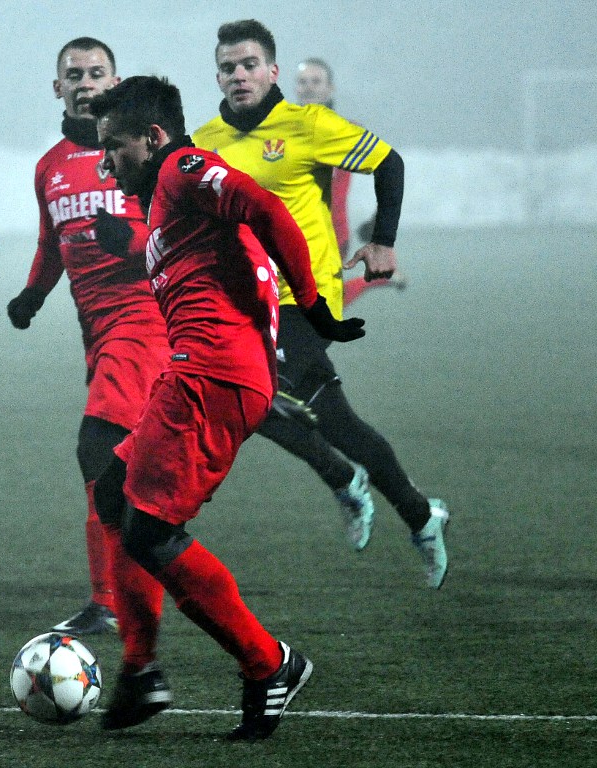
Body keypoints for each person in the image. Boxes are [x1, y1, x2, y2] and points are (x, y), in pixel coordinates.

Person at [89, 75, 365, 739]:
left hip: (213, 375)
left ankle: (268, 663)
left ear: (154, 136)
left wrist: (316, 309)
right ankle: (140, 669)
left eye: (115, 147)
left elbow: (266, 210)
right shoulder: (167, 202)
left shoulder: (183, 168)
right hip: (204, 372)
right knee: (112, 493)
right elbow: (214, 258)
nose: (107, 164)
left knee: (151, 531)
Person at [193, 20, 450, 589]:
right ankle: (403, 506)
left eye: (250, 64)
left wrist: (383, 241)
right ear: (217, 77)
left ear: (271, 71)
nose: (239, 75)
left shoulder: (308, 125)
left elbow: (389, 163)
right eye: (229, 67)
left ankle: (364, 489)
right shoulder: (205, 142)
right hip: (244, 300)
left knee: (282, 397)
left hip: (303, 296)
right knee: (260, 407)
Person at [6, 38, 171, 635]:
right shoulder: (49, 167)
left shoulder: (140, 151)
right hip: (98, 334)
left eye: (96, 73)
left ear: (114, 82)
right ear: (58, 87)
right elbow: (51, 242)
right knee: (131, 468)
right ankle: (145, 579)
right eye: (73, 75)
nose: (85, 83)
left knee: (96, 449)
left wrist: (131, 242)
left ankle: (109, 602)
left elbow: (179, 229)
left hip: (144, 321)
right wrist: (33, 294)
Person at [294, 57, 408, 307]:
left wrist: (380, 222)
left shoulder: (349, 131)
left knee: (315, 306)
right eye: (303, 81)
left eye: (316, 81)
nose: (309, 87)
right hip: (291, 233)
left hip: (332, 235)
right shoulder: (282, 132)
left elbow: (388, 169)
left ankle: (378, 279)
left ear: (330, 88)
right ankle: (379, 279)